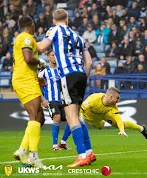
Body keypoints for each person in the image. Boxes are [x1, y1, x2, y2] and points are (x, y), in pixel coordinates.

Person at [37, 9, 93, 167]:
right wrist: (83, 77)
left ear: (54, 20)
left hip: (67, 76)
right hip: (81, 75)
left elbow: (42, 48)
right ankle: (89, 152)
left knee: (71, 117)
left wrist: (27, 42)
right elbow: (89, 62)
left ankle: (82, 155)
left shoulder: (54, 30)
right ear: (67, 20)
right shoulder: (78, 36)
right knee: (77, 116)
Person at [12, 16, 46, 168]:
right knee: (35, 116)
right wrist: (41, 61)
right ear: (32, 24)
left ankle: (22, 150)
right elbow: (27, 58)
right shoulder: (25, 37)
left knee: (39, 118)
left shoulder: (24, 37)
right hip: (24, 80)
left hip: (28, 79)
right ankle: (33, 156)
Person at [80, 87, 147, 141]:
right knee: (100, 127)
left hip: (106, 114)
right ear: (111, 97)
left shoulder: (113, 106)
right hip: (92, 117)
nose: (118, 100)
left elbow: (118, 119)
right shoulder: (93, 99)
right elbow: (79, 110)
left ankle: (141, 129)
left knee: (118, 124)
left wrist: (122, 130)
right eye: (117, 98)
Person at [38, 50, 71, 151]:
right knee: (57, 118)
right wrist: (42, 99)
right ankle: (54, 145)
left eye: (56, 55)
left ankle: (63, 141)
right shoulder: (44, 72)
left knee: (72, 118)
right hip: (51, 99)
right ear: (48, 57)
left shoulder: (61, 71)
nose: (55, 57)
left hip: (62, 99)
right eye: (53, 55)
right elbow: (36, 85)